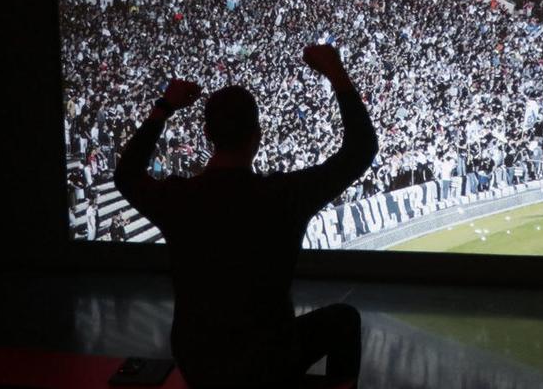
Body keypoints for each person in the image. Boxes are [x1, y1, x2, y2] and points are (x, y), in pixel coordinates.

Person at [114, 44, 378, 388]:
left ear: (208, 137)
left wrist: (164, 107)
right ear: (257, 136)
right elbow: (361, 150)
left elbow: (126, 175)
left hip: (198, 360)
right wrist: (336, 73)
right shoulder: (284, 196)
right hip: (270, 358)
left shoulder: (178, 199)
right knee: (343, 320)